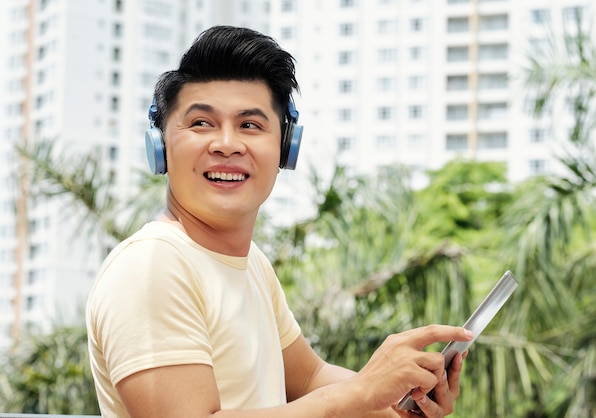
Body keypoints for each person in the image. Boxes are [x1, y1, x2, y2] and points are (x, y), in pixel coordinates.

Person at [85, 25, 473, 418]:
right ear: (161, 146)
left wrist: (399, 405)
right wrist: (361, 392)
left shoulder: (251, 263)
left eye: (250, 125)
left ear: (286, 147)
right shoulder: (152, 265)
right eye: (201, 123)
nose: (226, 143)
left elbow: (309, 378)